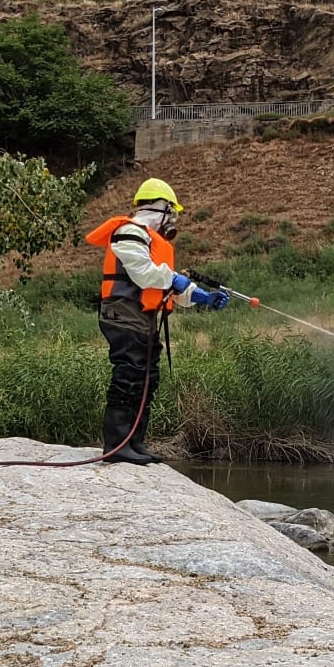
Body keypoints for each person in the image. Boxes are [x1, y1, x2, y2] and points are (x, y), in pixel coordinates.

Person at [85, 178, 228, 464]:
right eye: (171, 214)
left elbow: (162, 283)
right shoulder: (129, 232)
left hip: (142, 318)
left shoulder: (150, 239)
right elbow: (144, 273)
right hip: (124, 315)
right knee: (129, 377)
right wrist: (176, 279)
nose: (172, 221)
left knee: (147, 378)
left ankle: (135, 443)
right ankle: (117, 445)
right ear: (162, 210)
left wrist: (200, 296)